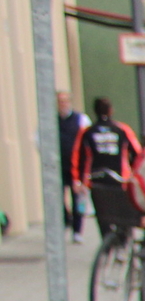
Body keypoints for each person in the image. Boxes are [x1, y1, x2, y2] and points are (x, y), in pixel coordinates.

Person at [73, 98, 139, 223]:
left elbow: (80, 157)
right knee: (121, 214)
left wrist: (79, 180)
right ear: (111, 110)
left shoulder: (87, 131)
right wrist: (135, 174)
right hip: (120, 179)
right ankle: (123, 238)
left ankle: (106, 237)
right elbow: (136, 153)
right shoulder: (122, 129)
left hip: (96, 179)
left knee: (102, 215)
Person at [56, 91, 88, 242]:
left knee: (78, 199)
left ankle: (77, 230)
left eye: (65, 101)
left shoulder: (80, 119)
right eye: (60, 101)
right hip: (58, 166)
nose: (63, 104)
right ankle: (64, 222)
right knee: (58, 198)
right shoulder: (50, 120)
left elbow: (87, 141)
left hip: (77, 167)